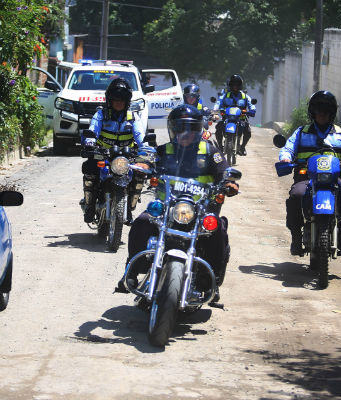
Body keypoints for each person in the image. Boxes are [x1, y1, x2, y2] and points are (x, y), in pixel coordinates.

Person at [117, 104, 239, 297]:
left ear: (198, 130)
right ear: (173, 130)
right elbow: (148, 158)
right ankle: (130, 272)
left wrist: (230, 182)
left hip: (200, 210)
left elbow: (224, 171)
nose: (186, 133)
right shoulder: (164, 151)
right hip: (167, 209)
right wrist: (142, 164)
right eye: (181, 128)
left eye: (191, 129)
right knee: (141, 222)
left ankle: (211, 282)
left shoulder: (209, 152)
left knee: (218, 230)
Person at [278, 90, 341, 256]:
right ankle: (295, 237)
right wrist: (285, 158)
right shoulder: (302, 132)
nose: (321, 114)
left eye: (325, 111)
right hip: (306, 178)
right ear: (312, 112)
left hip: (336, 179)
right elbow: (288, 147)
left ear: (332, 113)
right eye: (318, 110)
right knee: (295, 197)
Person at [81, 77, 145, 224]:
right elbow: (93, 130)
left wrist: (146, 147)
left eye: (122, 99)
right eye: (115, 98)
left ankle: (128, 207)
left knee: (140, 172)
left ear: (127, 101)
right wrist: (90, 143)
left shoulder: (133, 117)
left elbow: (140, 136)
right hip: (103, 154)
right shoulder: (101, 115)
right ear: (109, 100)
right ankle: (90, 205)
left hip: (126, 157)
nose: (119, 102)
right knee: (90, 169)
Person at [212, 74, 256, 155]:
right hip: (227, 119)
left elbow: (251, 105)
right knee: (218, 128)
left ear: (240, 85)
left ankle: (242, 147)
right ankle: (220, 147)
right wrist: (215, 111)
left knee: (248, 132)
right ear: (230, 85)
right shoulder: (225, 95)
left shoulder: (245, 96)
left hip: (241, 119)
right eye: (233, 84)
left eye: (237, 84)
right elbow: (219, 102)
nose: (235, 86)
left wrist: (252, 110)